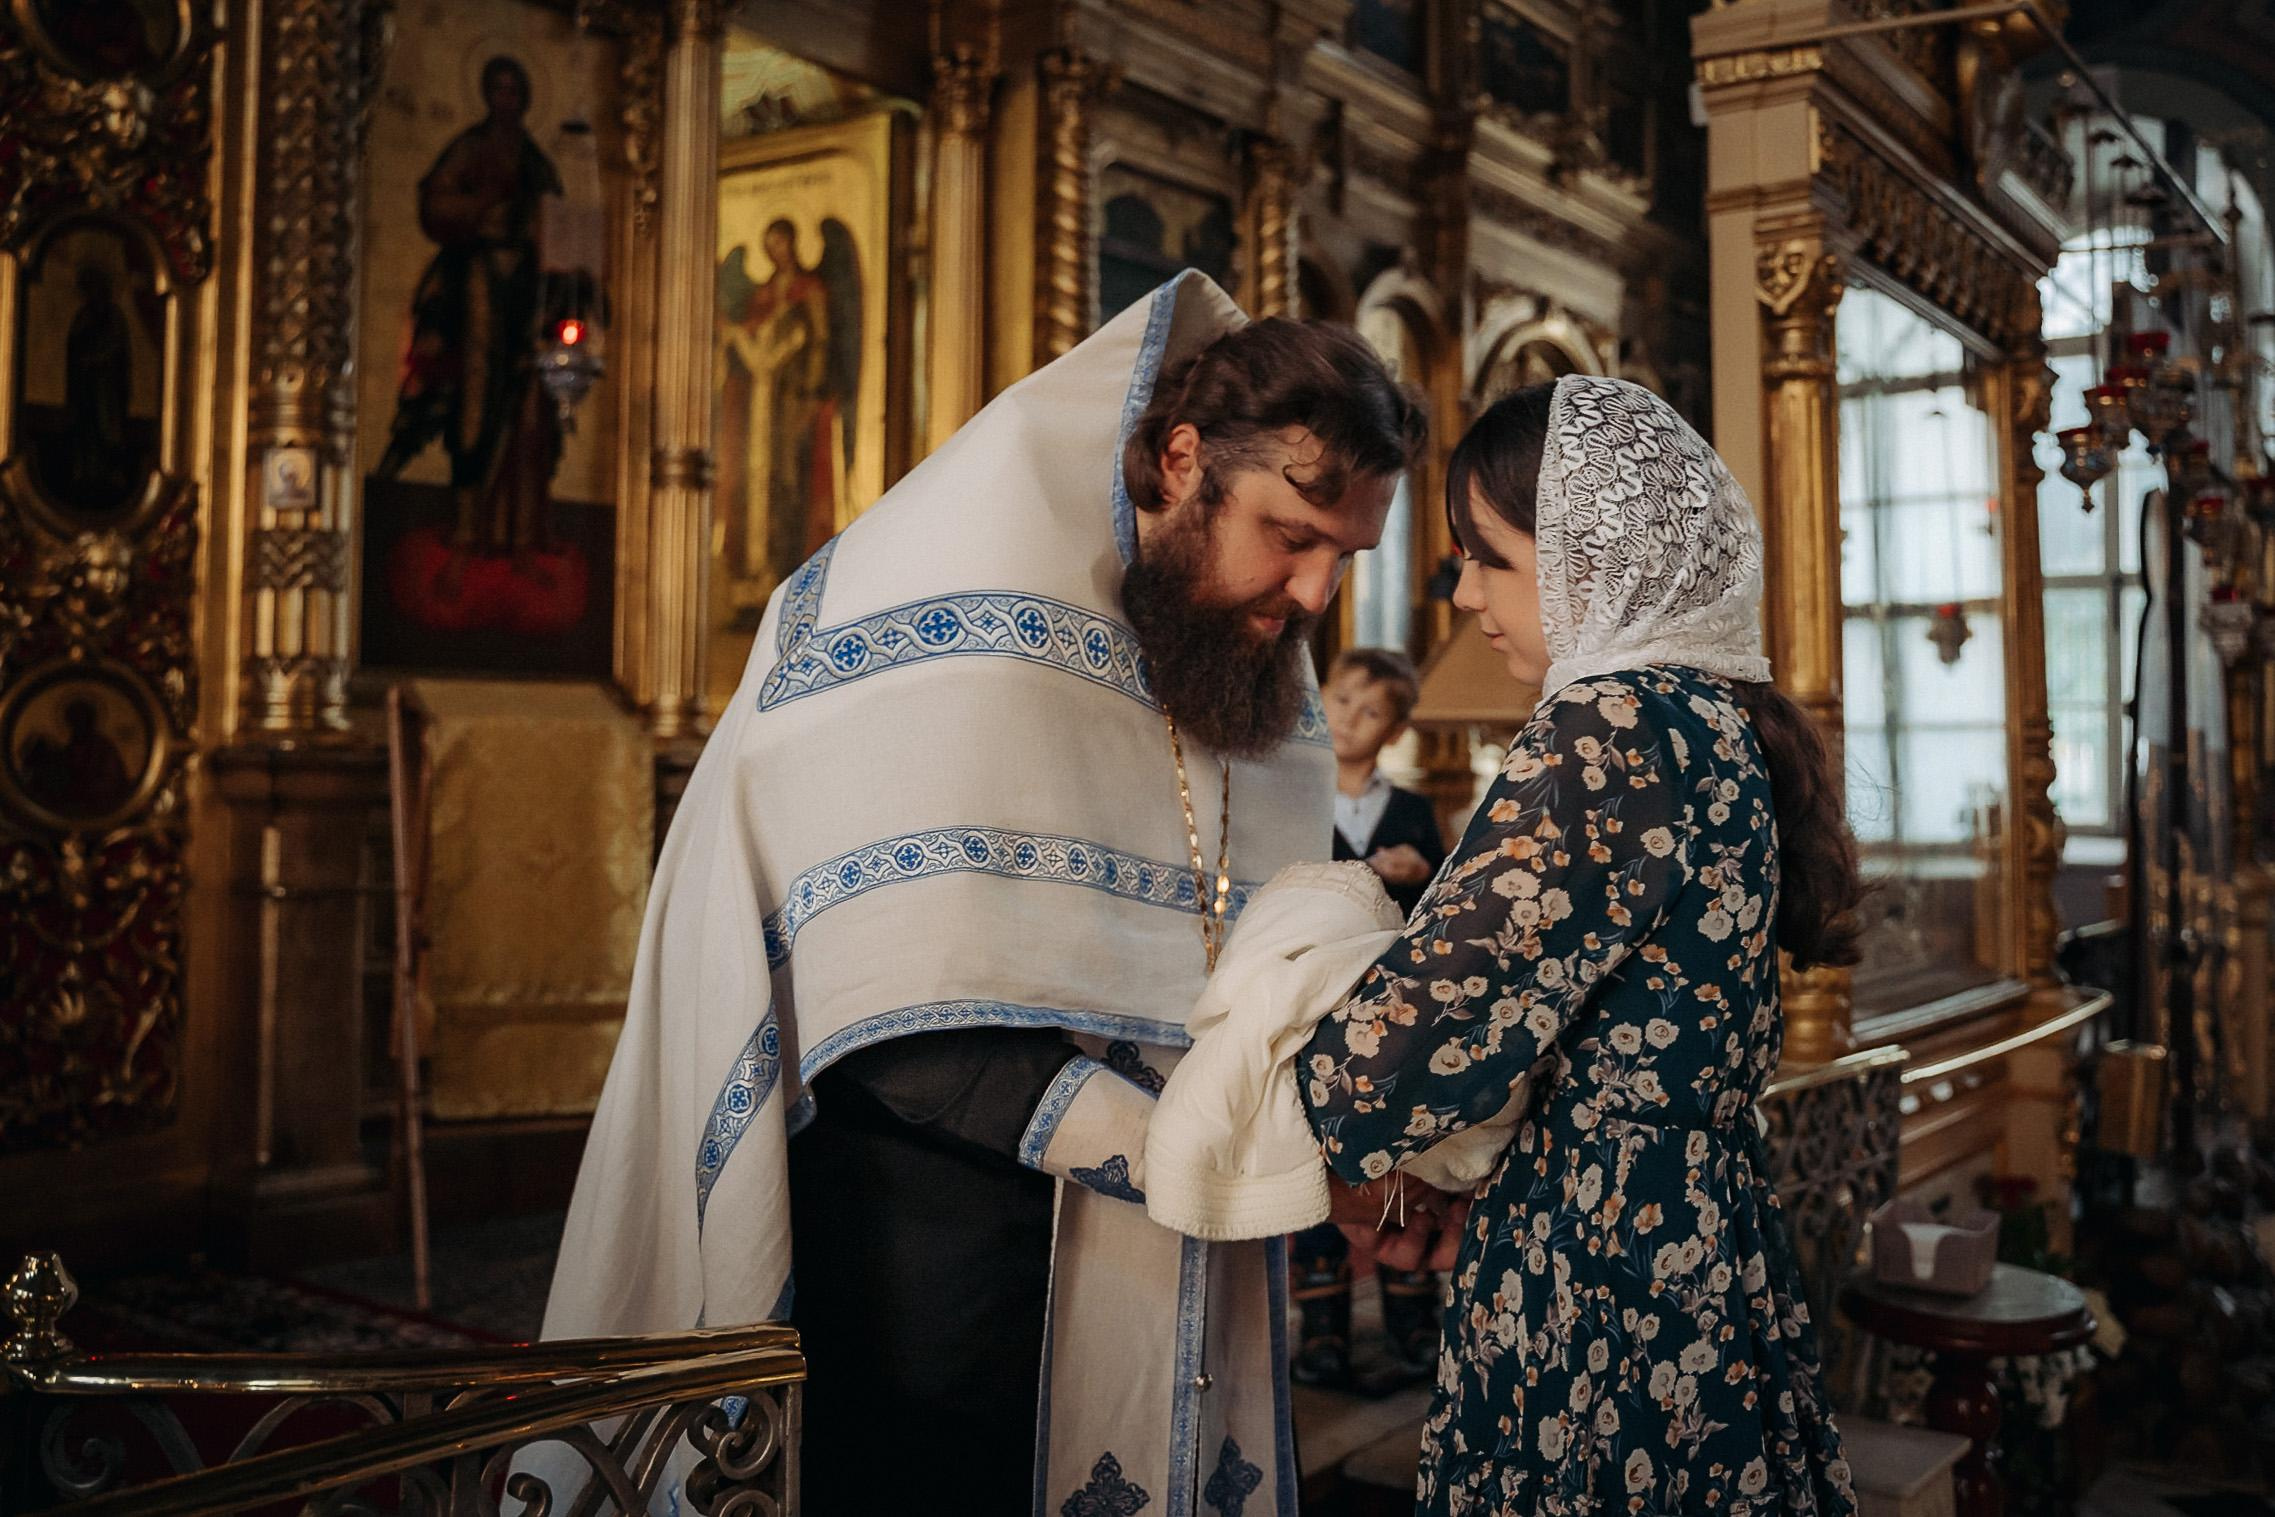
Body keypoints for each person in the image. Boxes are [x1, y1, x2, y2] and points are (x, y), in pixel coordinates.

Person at [534, 271, 1427, 1517]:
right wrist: (1218, 1159)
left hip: (1170, 1258)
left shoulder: (1234, 666)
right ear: (1182, 460)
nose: (1317, 596)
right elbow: (888, 1016)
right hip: (931, 1263)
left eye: (1347, 556)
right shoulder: (947, 621)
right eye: (1292, 535)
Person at [1301, 376, 1862, 1514]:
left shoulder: (1610, 724)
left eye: (1488, 558)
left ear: (1587, 561)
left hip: (1599, 1256)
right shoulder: (1710, 717)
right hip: (1694, 1227)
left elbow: (1391, 1053)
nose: (1464, 593)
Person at [1293, 646, 1448, 1390]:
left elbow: (1448, 910)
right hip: (1311, 1010)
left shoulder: (1411, 811)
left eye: (1371, 710)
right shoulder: (1290, 795)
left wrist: (1422, 874)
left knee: (1401, 1156)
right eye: (1341, 699)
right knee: (1313, 1160)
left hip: (1395, 1018)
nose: (1350, 718)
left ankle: (1413, 1319)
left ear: (1394, 730)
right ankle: (1322, 1327)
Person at [375, 55, 564, 553]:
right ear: (486, 95)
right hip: (475, 284)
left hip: (525, 291)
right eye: (498, 90)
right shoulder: (470, 148)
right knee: (473, 399)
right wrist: (482, 211)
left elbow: (560, 221)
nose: (506, 100)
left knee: (522, 404)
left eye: (513, 91)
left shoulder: (535, 162)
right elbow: (435, 201)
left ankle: (510, 528)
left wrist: (538, 232)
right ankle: (463, 518)